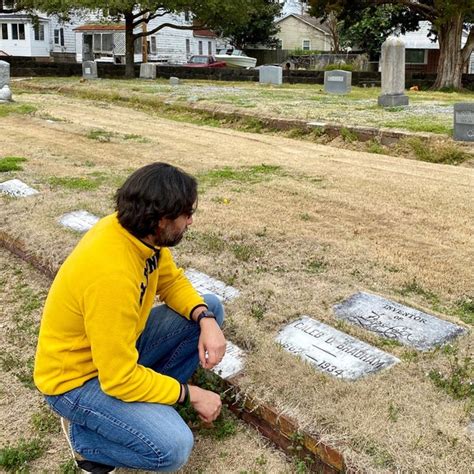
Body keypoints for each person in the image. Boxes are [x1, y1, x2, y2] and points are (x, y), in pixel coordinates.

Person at [34, 162, 227, 473]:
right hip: (76, 381)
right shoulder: (112, 275)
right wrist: (191, 394)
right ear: (162, 220)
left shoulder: (138, 232)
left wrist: (205, 319)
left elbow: (171, 281)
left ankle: (141, 408)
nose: (191, 221)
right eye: (186, 214)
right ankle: (86, 441)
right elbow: (119, 378)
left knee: (211, 307)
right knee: (173, 447)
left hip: (113, 354)